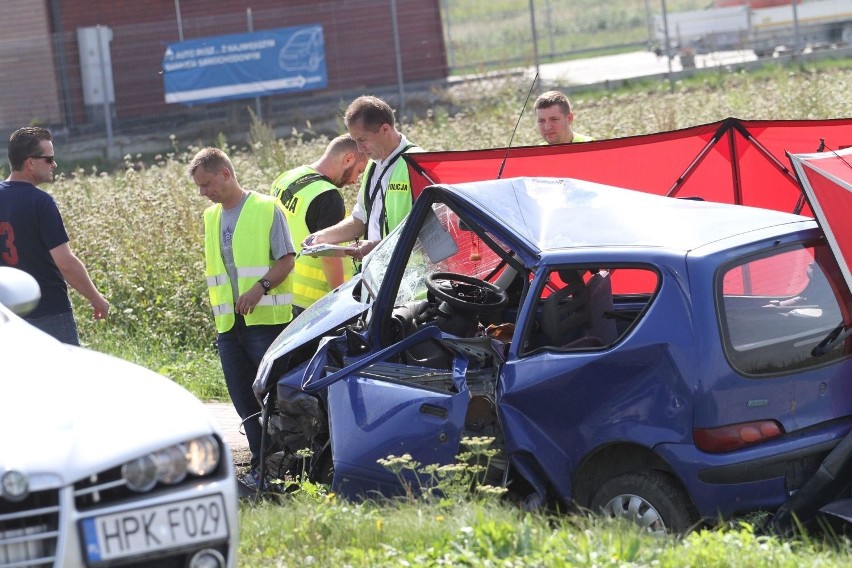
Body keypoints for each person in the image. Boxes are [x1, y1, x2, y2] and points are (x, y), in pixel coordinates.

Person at [189, 147, 296, 490]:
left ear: (225, 174)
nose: (204, 193)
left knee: (273, 399)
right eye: (199, 188)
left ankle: (286, 467)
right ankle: (262, 467)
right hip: (229, 326)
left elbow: (286, 260)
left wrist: (260, 288)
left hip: (266, 322)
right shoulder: (211, 218)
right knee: (242, 399)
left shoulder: (267, 207)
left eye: (207, 184)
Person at [0, 126, 109, 345]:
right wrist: (97, 298)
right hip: (48, 312)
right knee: (65, 378)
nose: (54, 165)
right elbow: (65, 262)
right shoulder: (41, 202)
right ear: (31, 162)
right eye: (49, 159)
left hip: (7, 314)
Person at [302, 95, 420, 260]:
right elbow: (360, 219)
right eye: (354, 140)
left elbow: (432, 231)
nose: (359, 148)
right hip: (382, 277)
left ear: (385, 129)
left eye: (362, 139)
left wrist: (376, 246)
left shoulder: (417, 163)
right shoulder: (373, 165)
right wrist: (322, 237)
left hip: (413, 279)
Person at [270, 134, 367, 312]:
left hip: (281, 292)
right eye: (359, 171)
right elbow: (328, 256)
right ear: (348, 159)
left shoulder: (286, 178)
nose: (354, 181)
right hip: (314, 303)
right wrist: (343, 302)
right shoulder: (328, 196)